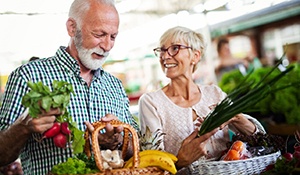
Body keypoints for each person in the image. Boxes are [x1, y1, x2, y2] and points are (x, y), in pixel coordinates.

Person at [0, 0, 138, 174]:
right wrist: (23, 127)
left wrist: (118, 141)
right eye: (99, 34)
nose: (107, 45)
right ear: (72, 28)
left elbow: (137, 148)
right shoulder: (27, 77)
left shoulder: (115, 85)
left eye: (113, 36)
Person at [138, 26, 265, 174]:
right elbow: (152, 167)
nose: (165, 56)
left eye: (175, 48)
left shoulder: (215, 93)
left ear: (195, 56)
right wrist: (180, 161)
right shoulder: (151, 102)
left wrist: (236, 117)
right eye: (162, 50)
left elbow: (260, 139)